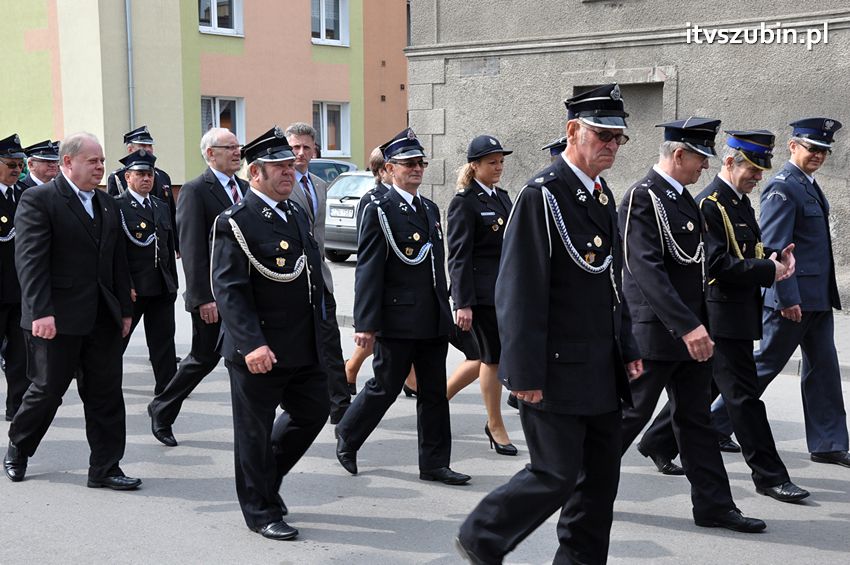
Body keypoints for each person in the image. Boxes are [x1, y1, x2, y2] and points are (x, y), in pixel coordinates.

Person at [456, 84, 641, 563]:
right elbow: (518, 290)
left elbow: (609, 286)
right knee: (555, 474)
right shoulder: (543, 196)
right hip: (554, 369)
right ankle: (482, 534)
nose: (611, 145)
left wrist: (629, 347)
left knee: (599, 484)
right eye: (602, 134)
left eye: (618, 138)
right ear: (573, 131)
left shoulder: (600, 197)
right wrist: (523, 376)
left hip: (599, 368)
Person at [636, 130, 808, 502]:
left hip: (738, 314)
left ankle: (656, 441)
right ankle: (769, 475)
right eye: (753, 169)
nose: (758, 176)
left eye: (762, 170)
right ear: (730, 162)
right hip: (718, 315)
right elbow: (715, 265)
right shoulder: (709, 204)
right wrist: (766, 271)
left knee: (707, 394)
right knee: (743, 398)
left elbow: (749, 250)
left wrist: (774, 259)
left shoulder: (740, 202)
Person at [619, 117, 766, 532]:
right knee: (631, 416)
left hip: (691, 333)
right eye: (700, 157)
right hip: (656, 332)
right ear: (679, 154)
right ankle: (579, 488)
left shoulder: (684, 199)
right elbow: (645, 270)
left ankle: (714, 506)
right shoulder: (642, 198)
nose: (705, 166)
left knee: (696, 421)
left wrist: (699, 325)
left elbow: (696, 270)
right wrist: (687, 326)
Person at [334, 128, 470, 486]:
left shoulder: (428, 208)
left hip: (431, 317)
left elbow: (435, 264)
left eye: (421, 163)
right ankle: (348, 434)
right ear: (390, 168)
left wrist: (449, 307)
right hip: (397, 318)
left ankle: (435, 463)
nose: (417, 169)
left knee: (434, 393)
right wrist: (366, 323)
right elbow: (369, 268)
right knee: (385, 386)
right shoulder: (380, 207)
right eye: (409, 163)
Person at [712, 117, 850, 468]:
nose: (818, 155)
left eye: (823, 151)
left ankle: (829, 442)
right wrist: (787, 297)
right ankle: (712, 423)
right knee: (762, 366)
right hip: (793, 299)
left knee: (824, 369)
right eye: (811, 148)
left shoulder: (808, 184)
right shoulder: (783, 187)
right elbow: (775, 249)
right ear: (793, 146)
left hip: (816, 297)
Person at [4, 132, 139, 490]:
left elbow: (117, 260)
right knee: (47, 390)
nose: (100, 167)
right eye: (93, 161)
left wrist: (124, 309)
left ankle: (106, 467)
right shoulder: (40, 200)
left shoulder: (108, 203)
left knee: (106, 393)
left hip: (101, 317)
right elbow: (30, 261)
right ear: (68, 162)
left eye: (102, 161)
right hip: (57, 318)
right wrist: (39, 313)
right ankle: (19, 446)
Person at [212, 126, 328, 541]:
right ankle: (261, 510)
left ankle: (262, 479)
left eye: (290, 167)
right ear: (255, 173)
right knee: (254, 431)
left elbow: (312, 280)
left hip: (302, 344)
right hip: (259, 347)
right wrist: (251, 343)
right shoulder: (236, 222)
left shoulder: (295, 213)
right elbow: (229, 289)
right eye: (279, 167)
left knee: (314, 411)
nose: (290, 173)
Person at [147, 128, 247, 447]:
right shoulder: (194, 190)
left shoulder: (246, 189)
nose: (237, 151)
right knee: (203, 358)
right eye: (228, 147)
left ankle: (259, 423)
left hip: (245, 294)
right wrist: (203, 297)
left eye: (237, 146)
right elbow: (191, 250)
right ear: (209, 154)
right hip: (214, 297)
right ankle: (162, 409)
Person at [447, 134, 517, 455]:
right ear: (475, 166)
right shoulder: (465, 202)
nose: (499, 166)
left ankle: (436, 400)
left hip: (503, 293)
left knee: (487, 358)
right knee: (491, 359)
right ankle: (494, 424)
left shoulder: (502, 198)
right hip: (480, 297)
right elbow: (458, 256)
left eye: (501, 161)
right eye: (492, 162)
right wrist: (463, 303)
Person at [284, 122, 350, 424]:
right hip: (291, 280)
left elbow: (318, 235)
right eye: (295, 147)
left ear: (315, 150)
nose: (300, 153)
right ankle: (294, 401)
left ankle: (341, 406)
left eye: (305, 147)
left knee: (330, 342)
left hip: (320, 277)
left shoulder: (320, 186)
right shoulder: (282, 185)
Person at [113, 149, 179, 396]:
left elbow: (167, 246)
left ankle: (168, 390)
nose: (146, 179)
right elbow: (116, 254)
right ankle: (103, 380)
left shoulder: (160, 206)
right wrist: (124, 285)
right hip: (134, 287)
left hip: (161, 285)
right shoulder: (118, 206)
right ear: (127, 177)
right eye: (140, 174)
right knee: (118, 339)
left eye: (149, 174)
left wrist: (172, 282)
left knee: (164, 342)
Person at [107, 126, 179, 253]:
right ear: (130, 150)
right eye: (143, 146)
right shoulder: (117, 177)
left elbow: (171, 212)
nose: (148, 150)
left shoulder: (162, 176)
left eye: (150, 146)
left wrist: (176, 244)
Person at [0, 134, 27, 422]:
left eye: (21, 164)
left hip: (20, 291)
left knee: (20, 356)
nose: (17, 170)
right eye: (11, 163)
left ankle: (16, 407)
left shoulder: (25, 194)